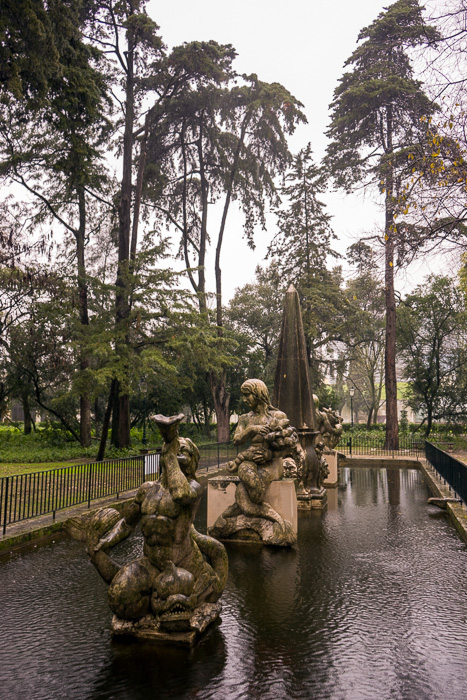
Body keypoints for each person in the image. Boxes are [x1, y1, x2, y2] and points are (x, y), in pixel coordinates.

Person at [86, 413, 228, 629]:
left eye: (184, 453)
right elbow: (127, 524)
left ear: (192, 462)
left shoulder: (194, 488)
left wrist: (170, 457)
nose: (177, 454)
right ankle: (152, 598)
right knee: (119, 599)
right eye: (174, 450)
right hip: (151, 562)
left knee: (173, 607)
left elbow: (180, 494)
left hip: (183, 564)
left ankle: (189, 594)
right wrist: (105, 541)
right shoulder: (147, 489)